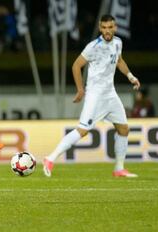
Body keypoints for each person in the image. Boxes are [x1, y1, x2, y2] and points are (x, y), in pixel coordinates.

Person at [42, 15, 141, 178]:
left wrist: (131, 76)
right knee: (83, 130)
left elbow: (119, 61)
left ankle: (119, 169)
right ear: (100, 28)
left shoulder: (118, 42)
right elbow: (76, 66)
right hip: (95, 95)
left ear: (115, 28)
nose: (107, 31)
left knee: (123, 129)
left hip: (110, 94)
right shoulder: (93, 47)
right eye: (104, 28)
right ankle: (50, 158)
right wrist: (80, 90)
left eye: (110, 27)